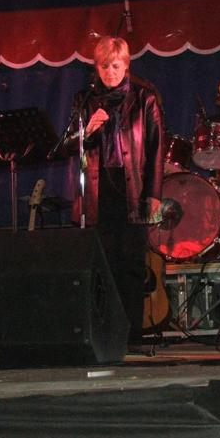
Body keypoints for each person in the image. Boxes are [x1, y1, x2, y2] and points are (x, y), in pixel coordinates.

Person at [67, 36, 164, 347]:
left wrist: (154, 194)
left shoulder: (145, 98)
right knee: (101, 265)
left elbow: (156, 148)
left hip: (133, 188)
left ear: (127, 66)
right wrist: (88, 131)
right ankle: (104, 333)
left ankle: (132, 335)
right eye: (105, 66)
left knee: (132, 264)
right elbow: (70, 147)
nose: (110, 72)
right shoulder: (85, 99)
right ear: (96, 68)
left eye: (116, 66)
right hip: (98, 191)